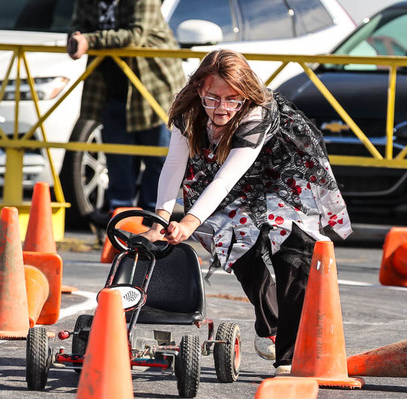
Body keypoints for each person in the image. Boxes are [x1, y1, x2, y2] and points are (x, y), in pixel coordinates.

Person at [142, 49, 352, 375]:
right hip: (229, 174)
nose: (223, 108)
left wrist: (189, 220)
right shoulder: (188, 112)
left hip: (283, 172)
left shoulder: (258, 113)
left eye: (232, 99)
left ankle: (289, 357)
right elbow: (173, 167)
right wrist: (159, 220)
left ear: (245, 96)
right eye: (213, 98)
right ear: (199, 88)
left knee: (291, 251)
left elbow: (227, 178)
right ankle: (272, 323)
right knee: (238, 243)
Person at [67, 0, 186, 227]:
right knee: (117, 157)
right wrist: (75, 38)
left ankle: (153, 219)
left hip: (153, 88)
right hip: (111, 87)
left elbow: (135, 35)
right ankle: (121, 217)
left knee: (159, 158)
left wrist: (88, 41)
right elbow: (78, 25)